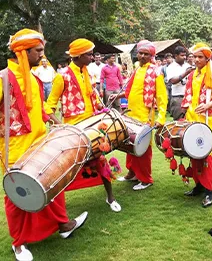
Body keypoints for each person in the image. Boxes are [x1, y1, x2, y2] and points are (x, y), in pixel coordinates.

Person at [0, 29, 88, 261]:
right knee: (17, 197)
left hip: (40, 145)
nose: (42, 54)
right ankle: (19, 244)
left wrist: (58, 125)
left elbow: (39, 111)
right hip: (14, 150)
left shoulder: (35, 78)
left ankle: (63, 225)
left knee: (53, 187)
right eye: (38, 50)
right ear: (23, 51)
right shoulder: (2, 78)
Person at [47, 38, 121, 212]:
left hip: (93, 127)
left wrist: (102, 108)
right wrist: (60, 125)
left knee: (101, 159)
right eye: (89, 54)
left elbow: (93, 96)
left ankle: (110, 197)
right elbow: (49, 107)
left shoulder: (86, 72)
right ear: (78, 56)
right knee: (65, 168)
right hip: (74, 131)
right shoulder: (62, 76)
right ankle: (56, 207)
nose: (92, 57)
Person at [114, 40, 168, 190]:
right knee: (129, 144)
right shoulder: (137, 69)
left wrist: (161, 117)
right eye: (140, 53)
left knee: (143, 148)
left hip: (145, 115)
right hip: (131, 113)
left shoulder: (156, 71)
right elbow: (130, 90)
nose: (142, 56)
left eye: (146, 54)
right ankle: (132, 173)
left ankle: (146, 179)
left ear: (151, 56)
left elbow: (162, 98)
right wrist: (117, 97)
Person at [181, 43, 212, 207]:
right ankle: (198, 186)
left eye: (200, 57)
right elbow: (188, 97)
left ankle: (208, 191)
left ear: (207, 58)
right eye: (195, 57)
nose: (197, 60)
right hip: (192, 117)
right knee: (193, 151)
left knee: (205, 153)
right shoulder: (193, 75)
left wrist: (207, 105)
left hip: (208, 118)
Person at [167, 46, 194, 120]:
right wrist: (186, 72)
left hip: (189, 97)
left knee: (190, 121)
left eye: (185, 55)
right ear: (176, 56)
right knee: (179, 122)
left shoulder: (188, 66)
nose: (184, 57)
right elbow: (173, 81)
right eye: (182, 55)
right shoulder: (171, 67)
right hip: (177, 98)